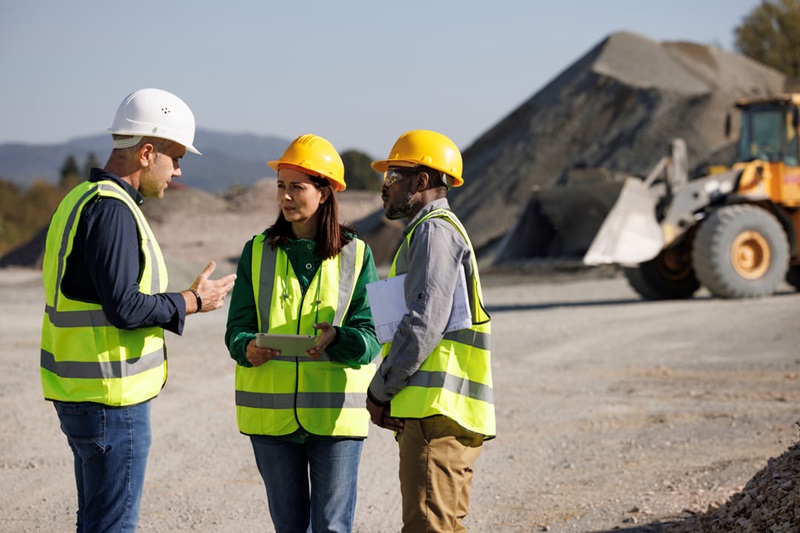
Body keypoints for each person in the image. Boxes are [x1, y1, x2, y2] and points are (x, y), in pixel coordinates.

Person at [40, 87, 237, 533]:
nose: (179, 170)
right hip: (112, 399)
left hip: (82, 394)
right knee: (112, 526)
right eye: (176, 158)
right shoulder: (112, 210)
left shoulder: (80, 199)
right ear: (147, 153)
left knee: (95, 521)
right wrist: (192, 301)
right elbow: (124, 307)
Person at [225, 134, 381, 533]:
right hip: (272, 420)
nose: (285, 196)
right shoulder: (256, 251)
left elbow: (371, 336)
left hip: (334, 420)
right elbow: (236, 331)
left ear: (325, 192)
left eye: (297, 186)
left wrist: (338, 339)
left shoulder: (357, 254)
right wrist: (249, 348)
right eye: (281, 185)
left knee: (331, 527)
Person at [365, 130, 495, 532]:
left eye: (393, 177)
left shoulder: (433, 231)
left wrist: (379, 390)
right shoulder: (433, 230)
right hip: (444, 413)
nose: (385, 188)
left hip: (436, 414)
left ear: (421, 181)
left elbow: (424, 323)